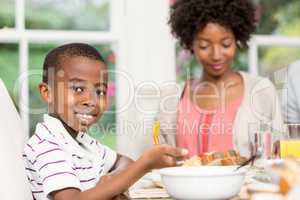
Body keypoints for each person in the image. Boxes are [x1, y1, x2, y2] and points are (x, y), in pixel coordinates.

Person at [23, 43, 188, 200]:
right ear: (47, 92)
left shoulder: (83, 142)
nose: (92, 100)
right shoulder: (47, 145)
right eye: (78, 89)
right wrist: (144, 164)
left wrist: (111, 184)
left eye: (100, 91)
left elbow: (123, 161)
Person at [155, 0, 285, 158]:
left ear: (237, 39)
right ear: (190, 43)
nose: (216, 55)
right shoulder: (171, 98)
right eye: (204, 46)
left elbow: (279, 156)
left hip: (246, 183)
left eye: (226, 44)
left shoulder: (261, 91)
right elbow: (160, 160)